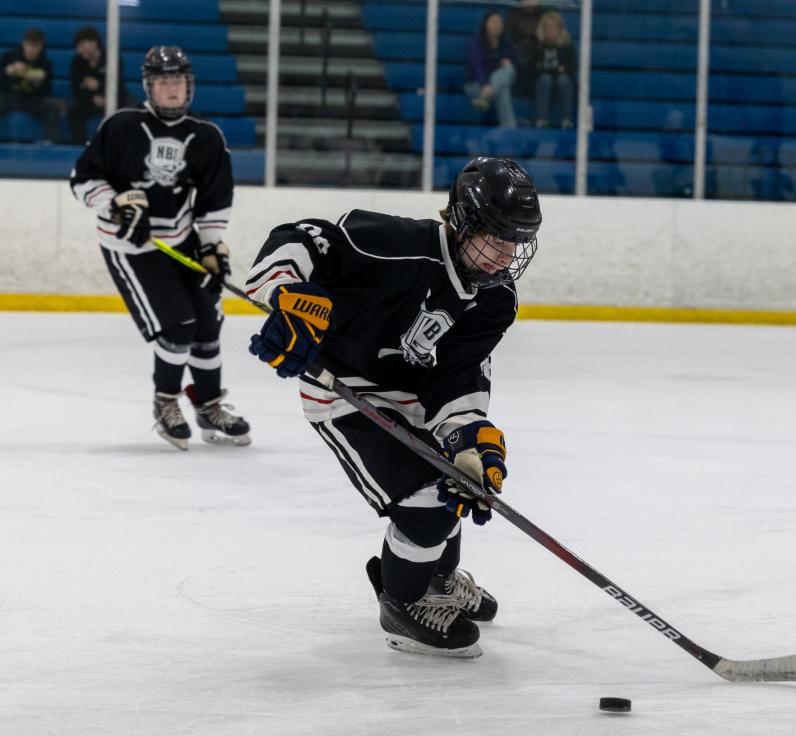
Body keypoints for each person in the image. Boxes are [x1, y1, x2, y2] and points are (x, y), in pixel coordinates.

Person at [245, 157, 542, 658]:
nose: (506, 254)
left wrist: (469, 438)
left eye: (516, 241)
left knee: (457, 482)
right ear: (464, 221)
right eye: (497, 237)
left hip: (415, 403)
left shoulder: (496, 300)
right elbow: (301, 237)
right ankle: (403, 603)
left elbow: (457, 377)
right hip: (346, 391)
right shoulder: (392, 244)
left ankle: (439, 580)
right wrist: (287, 295)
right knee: (424, 502)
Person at [70, 46, 250, 450]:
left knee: (207, 324)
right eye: (164, 80)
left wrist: (211, 248)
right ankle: (165, 403)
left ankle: (208, 405)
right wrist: (115, 206)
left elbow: (214, 200)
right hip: (130, 246)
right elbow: (83, 178)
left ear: (190, 85)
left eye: (179, 80)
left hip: (179, 241)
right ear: (150, 85)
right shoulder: (122, 126)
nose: (172, 88)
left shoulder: (206, 136)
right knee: (178, 326)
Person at [68, 26, 128, 144]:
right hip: (89, 102)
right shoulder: (77, 62)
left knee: (127, 112)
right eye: (78, 46)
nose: (79, 50)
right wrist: (92, 99)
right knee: (74, 112)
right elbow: (76, 89)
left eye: (82, 45)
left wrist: (99, 86)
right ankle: (81, 146)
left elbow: (120, 84)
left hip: (115, 99)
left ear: (94, 43)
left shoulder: (112, 57)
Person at [0, 28, 60, 142]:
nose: (31, 49)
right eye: (29, 45)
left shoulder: (46, 64)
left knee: (51, 107)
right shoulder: (9, 57)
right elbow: (2, 86)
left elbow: (47, 91)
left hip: (31, 99)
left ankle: (51, 143)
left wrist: (36, 81)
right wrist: (9, 72)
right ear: (23, 44)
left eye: (35, 46)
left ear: (41, 47)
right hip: (10, 97)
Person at [464, 11, 519, 128]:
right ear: (485, 24)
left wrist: (510, 61)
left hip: (489, 89)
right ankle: (509, 129)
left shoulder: (506, 44)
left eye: (499, 22)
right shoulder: (476, 43)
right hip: (477, 85)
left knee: (509, 68)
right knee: (503, 91)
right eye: (494, 21)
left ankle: (485, 97)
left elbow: (519, 64)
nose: (497, 25)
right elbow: (476, 66)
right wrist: (485, 84)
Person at [531, 11, 576, 129]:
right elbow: (532, 69)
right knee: (545, 79)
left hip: (562, 83)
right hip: (543, 83)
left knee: (563, 79)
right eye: (548, 28)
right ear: (543, 29)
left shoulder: (567, 47)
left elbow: (572, 68)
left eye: (554, 28)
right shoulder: (537, 46)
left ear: (560, 30)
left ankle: (567, 119)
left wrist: (561, 70)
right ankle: (542, 118)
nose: (551, 31)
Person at [506, 0, 543, 98]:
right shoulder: (513, 13)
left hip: (537, 52)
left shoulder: (543, 14)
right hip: (517, 51)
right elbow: (508, 37)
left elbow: (545, 38)